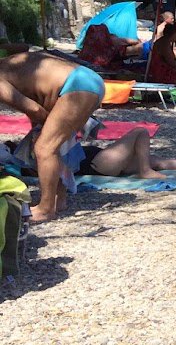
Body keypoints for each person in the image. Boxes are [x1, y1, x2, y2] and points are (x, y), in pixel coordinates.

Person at [0, 52, 105, 221]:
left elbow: (33, 109)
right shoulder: (8, 65)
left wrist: (46, 126)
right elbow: (37, 95)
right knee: (46, 144)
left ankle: (46, 209)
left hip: (78, 85)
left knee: (44, 148)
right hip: (83, 79)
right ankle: (58, 199)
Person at [20, 127, 176, 180]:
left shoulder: (44, 145)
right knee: (140, 131)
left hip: (101, 160)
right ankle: (144, 171)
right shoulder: (40, 150)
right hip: (98, 163)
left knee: (155, 160)